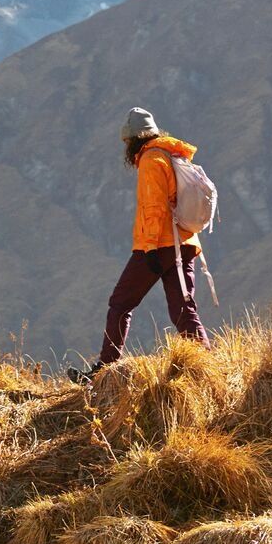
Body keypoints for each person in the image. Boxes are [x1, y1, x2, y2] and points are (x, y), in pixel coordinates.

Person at [71, 107, 211, 383]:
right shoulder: (172, 155)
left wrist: (148, 250)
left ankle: (104, 370)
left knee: (120, 304)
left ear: (132, 139)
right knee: (183, 309)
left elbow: (154, 208)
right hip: (185, 243)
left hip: (159, 245)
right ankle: (207, 367)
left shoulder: (150, 159)